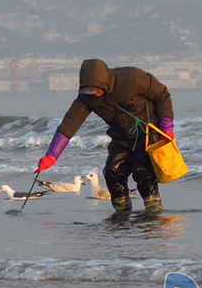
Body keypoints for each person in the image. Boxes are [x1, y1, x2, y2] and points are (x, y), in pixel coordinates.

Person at [35, 59, 174, 217]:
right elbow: (69, 125)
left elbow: (162, 94)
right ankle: (122, 216)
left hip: (148, 134)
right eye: (88, 91)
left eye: (95, 90)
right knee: (112, 173)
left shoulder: (132, 78)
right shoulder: (86, 98)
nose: (93, 94)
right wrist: (51, 156)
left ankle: (153, 215)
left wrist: (167, 125)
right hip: (120, 138)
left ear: (104, 83)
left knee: (143, 173)